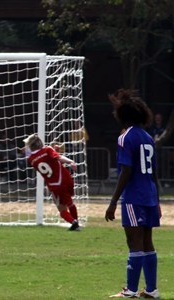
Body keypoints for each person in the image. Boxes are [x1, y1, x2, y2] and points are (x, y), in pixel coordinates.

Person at [105, 89, 161, 299]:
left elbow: (126, 171)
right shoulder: (148, 137)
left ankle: (130, 290)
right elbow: (154, 171)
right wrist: (157, 200)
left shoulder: (125, 138)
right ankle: (152, 290)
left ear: (123, 114)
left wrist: (113, 201)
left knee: (134, 242)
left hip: (134, 197)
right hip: (149, 195)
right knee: (147, 242)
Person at [23, 133, 80, 231]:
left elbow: (49, 160)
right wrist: (70, 161)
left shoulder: (32, 159)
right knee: (69, 202)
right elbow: (58, 159)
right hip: (66, 178)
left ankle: (74, 222)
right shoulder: (47, 150)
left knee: (61, 209)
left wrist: (54, 151)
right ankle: (76, 223)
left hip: (55, 184)